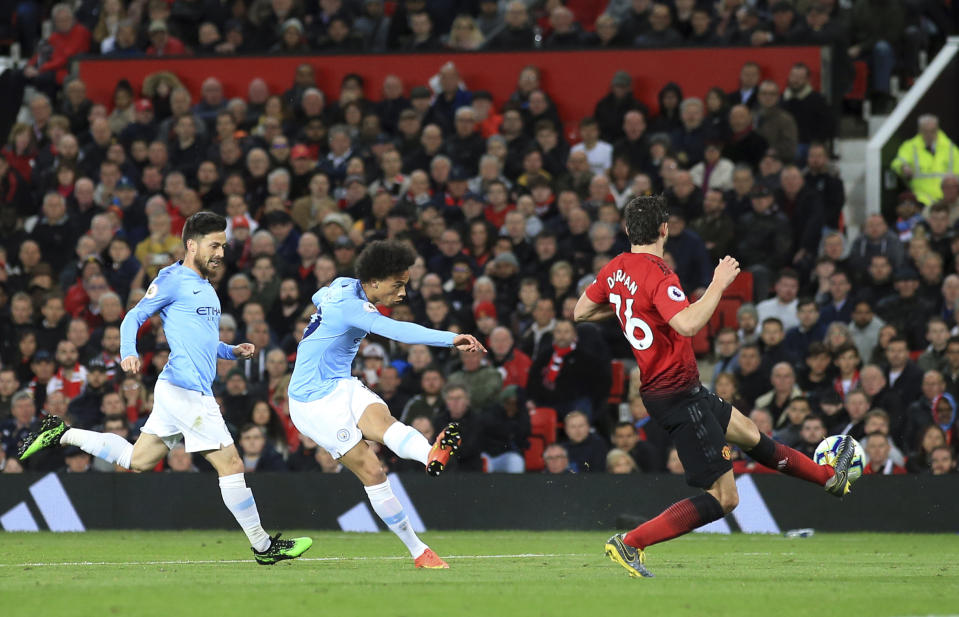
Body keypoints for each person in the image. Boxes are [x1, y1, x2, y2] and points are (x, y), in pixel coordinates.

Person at [574, 194, 859, 578]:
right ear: (665, 229)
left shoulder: (616, 268)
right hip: (676, 395)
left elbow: (580, 311)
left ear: (626, 230)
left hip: (676, 389)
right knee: (725, 498)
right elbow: (688, 324)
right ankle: (630, 542)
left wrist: (632, 304)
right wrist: (718, 284)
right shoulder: (659, 274)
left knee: (750, 434)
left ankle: (829, 479)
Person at [18, 212, 312, 565]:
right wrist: (128, 352)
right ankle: (264, 547)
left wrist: (230, 350)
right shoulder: (171, 279)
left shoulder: (207, 288)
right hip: (186, 390)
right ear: (192, 245)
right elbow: (133, 316)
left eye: (223, 245)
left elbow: (203, 341)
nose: (221, 252)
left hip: (178, 389)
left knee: (137, 459)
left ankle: (62, 433)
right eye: (214, 245)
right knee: (231, 464)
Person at [286, 239, 486, 569]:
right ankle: (418, 551)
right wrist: (451, 338)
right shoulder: (354, 307)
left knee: (384, 423)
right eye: (398, 285)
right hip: (311, 402)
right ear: (375, 282)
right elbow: (399, 332)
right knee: (373, 471)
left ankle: (430, 455)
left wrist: (319, 311)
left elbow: (318, 296)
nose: (403, 293)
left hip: (341, 384)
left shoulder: (340, 286)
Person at [891, 115, 959, 207]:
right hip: (921, 199)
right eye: (925, 131)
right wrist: (904, 167)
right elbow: (898, 162)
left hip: (947, 198)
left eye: (932, 131)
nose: (929, 135)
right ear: (919, 131)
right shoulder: (910, 146)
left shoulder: (950, 147)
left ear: (937, 129)